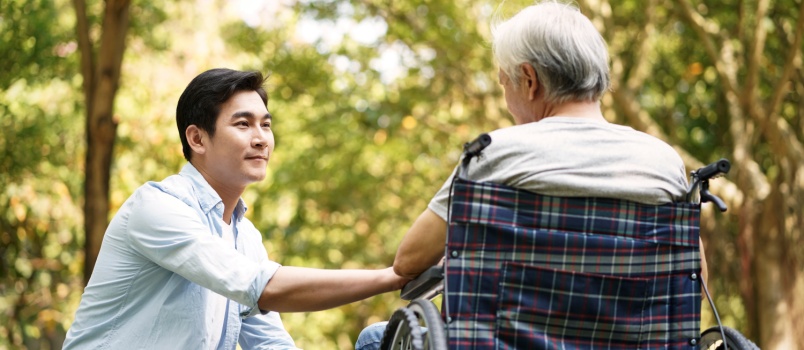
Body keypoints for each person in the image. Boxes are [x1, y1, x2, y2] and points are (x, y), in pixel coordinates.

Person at [355, 1, 708, 349]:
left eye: (504, 83)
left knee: (375, 338)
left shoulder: (495, 154)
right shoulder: (664, 162)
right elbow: (696, 281)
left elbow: (408, 262)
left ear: (528, 79)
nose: (507, 98)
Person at [63, 68, 407, 350]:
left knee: (375, 340)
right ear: (197, 139)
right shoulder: (157, 207)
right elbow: (262, 288)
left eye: (266, 124)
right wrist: (391, 277)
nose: (261, 138)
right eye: (243, 124)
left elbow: (270, 344)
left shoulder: (244, 237)